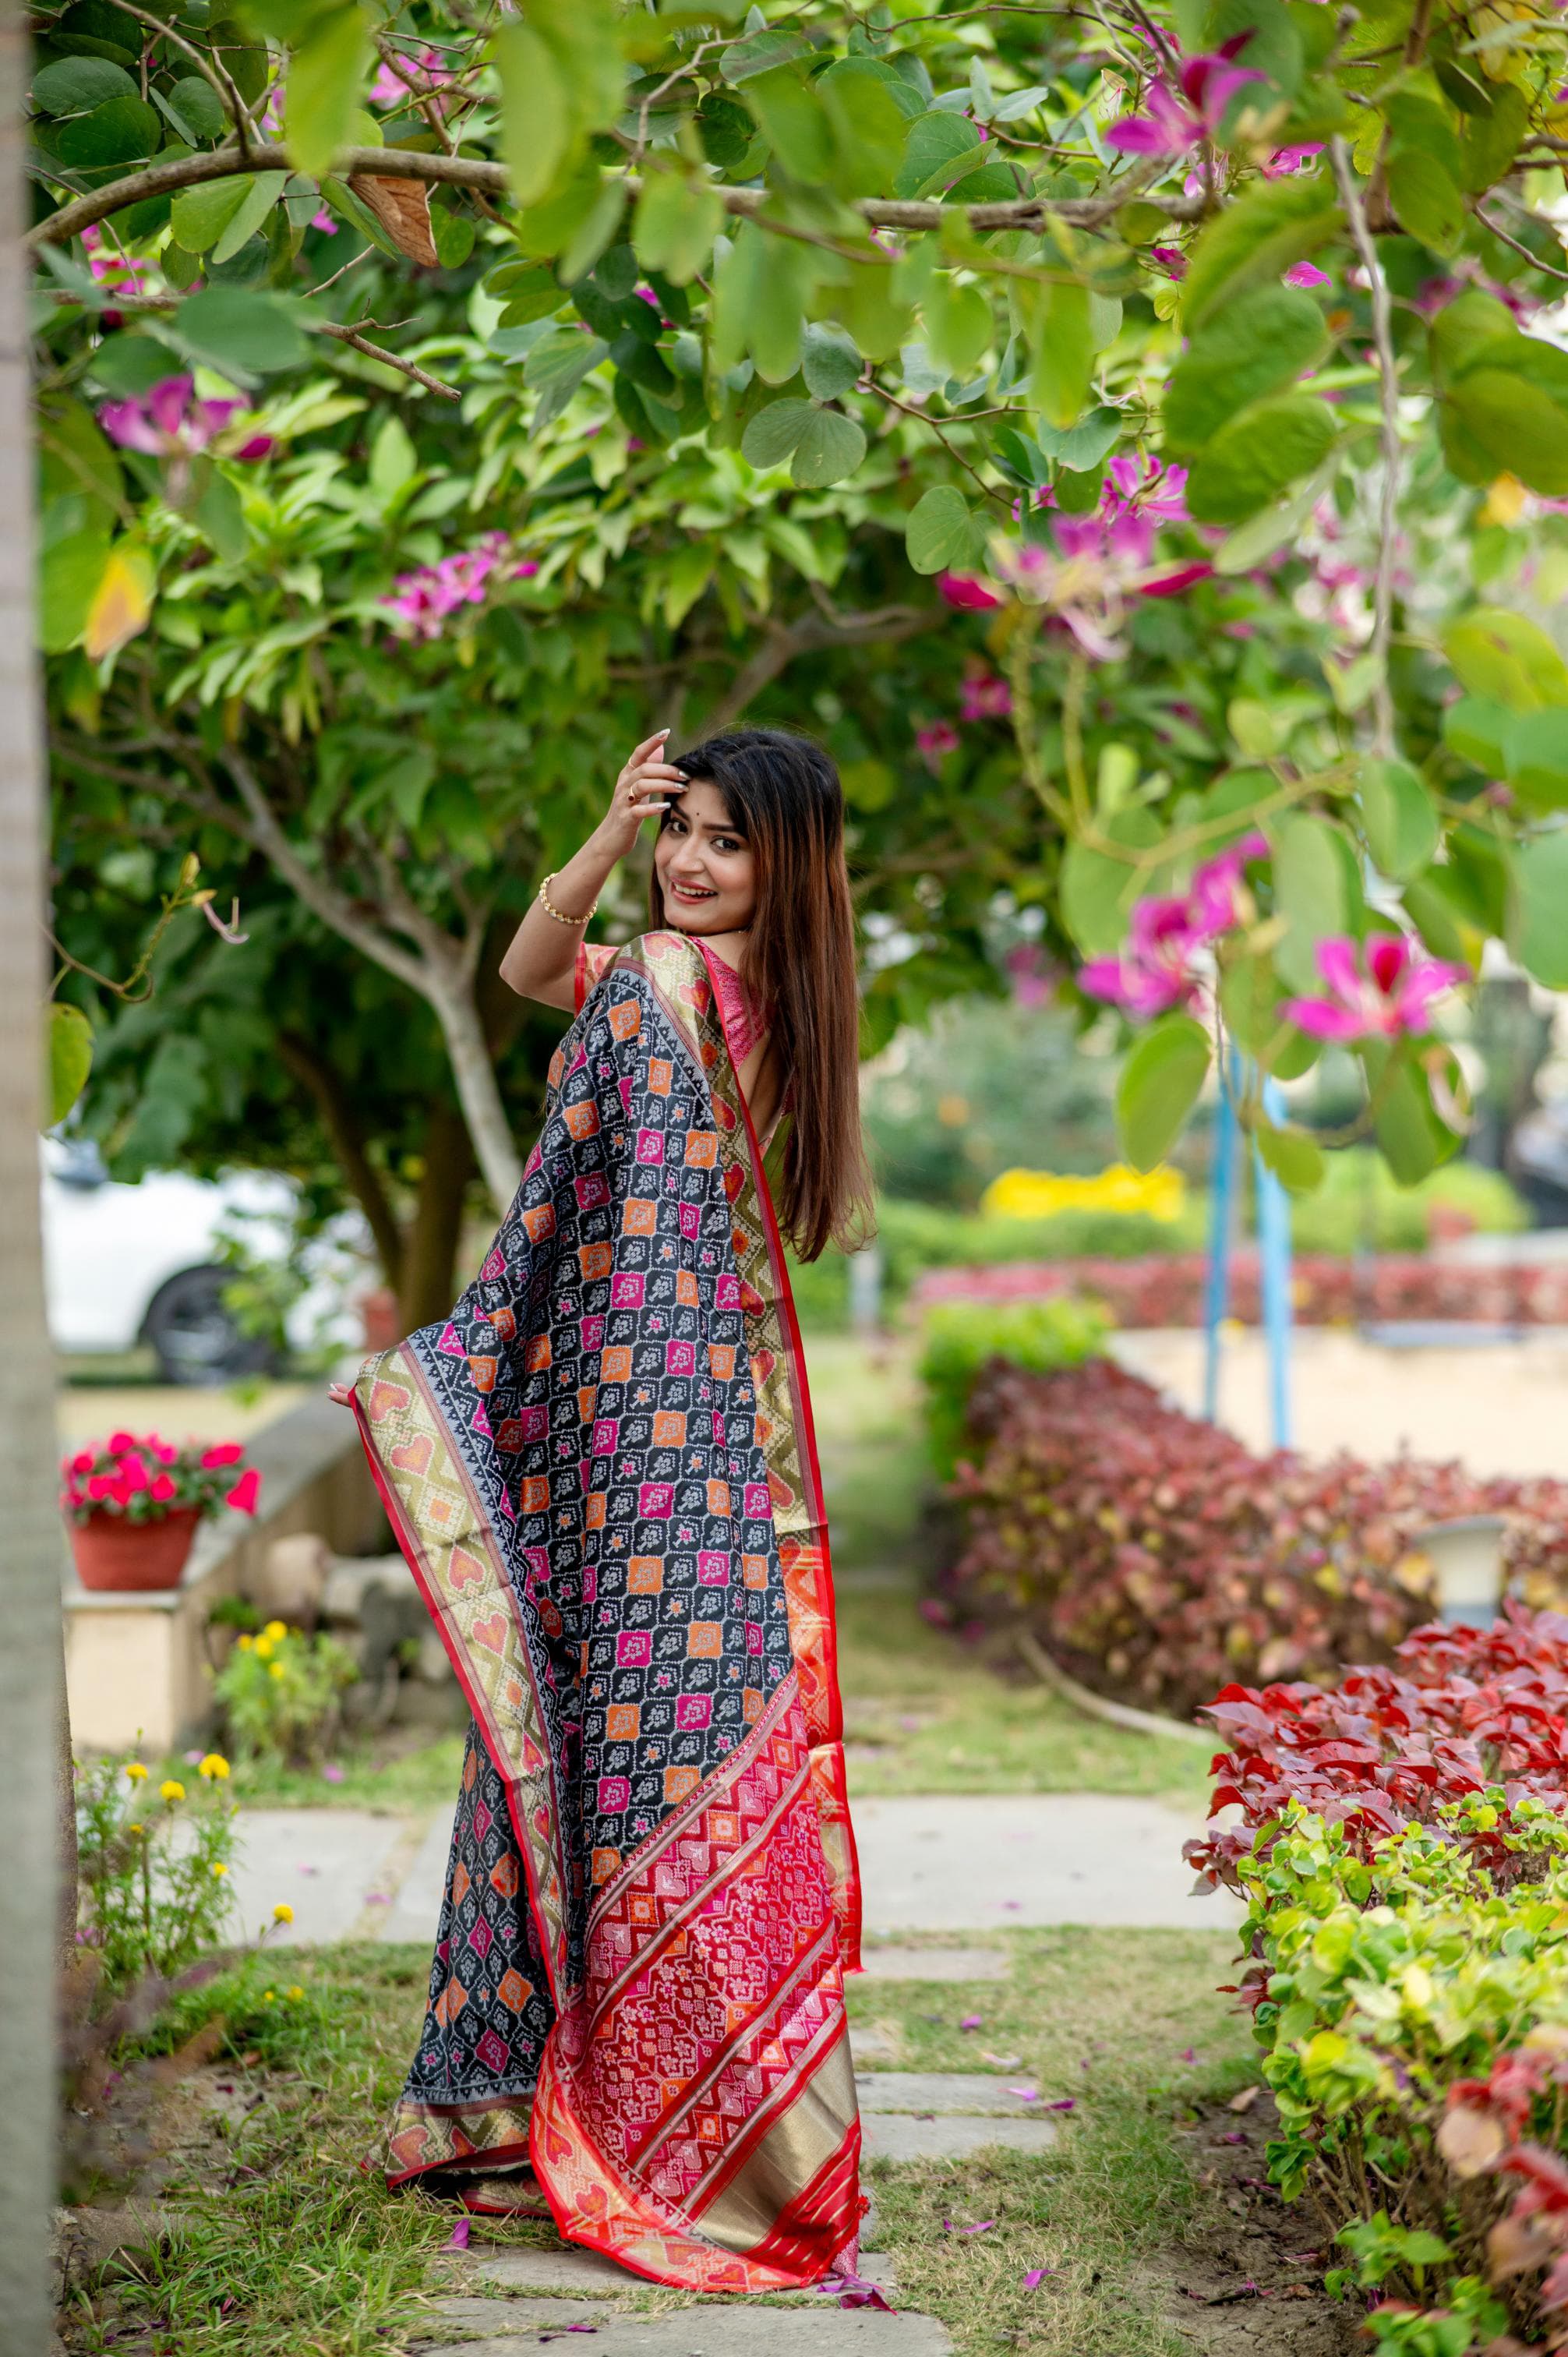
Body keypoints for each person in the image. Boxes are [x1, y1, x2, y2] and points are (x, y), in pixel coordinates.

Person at [340, 726, 871, 2295]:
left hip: (617, 1441)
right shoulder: (769, 1006)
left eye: (723, 841)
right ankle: (698, 2117)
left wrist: (467, 1360)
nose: (684, 862)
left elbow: (568, 1111)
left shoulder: (656, 989)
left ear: (788, 863)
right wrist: (596, 833)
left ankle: (586, 2121)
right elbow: (525, 965)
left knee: (589, 1753)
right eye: (676, 833)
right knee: (672, 1760)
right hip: (715, 1446)